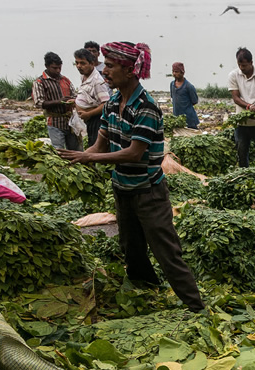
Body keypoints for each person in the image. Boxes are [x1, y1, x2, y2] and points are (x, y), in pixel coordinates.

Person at [59, 41, 205, 314]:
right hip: (123, 190)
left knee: (166, 251)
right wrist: (75, 159)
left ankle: (197, 308)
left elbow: (134, 153)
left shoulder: (146, 107)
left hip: (148, 192)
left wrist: (89, 158)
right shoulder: (112, 103)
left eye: (111, 67)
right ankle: (147, 295)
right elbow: (99, 145)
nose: (105, 72)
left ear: (129, 71)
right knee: (131, 248)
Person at [228, 47, 255, 167]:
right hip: (241, 122)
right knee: (241, 153)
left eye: (244, 65)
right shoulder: (234, 75)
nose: (242, 68)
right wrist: (249, 106)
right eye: (239, 65)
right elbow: (236, 98)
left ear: (251, 63)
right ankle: (244, 174)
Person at [32, 52, 81, 151]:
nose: (58, 70)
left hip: (70, 122)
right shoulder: (40, 82)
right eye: (54, 68)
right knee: (59, 151)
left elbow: (75, 95)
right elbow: (39, 102)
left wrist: (73, 100)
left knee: (76, 150)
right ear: (47, 66)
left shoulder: (65, 80)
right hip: (55, 123)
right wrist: (59, 102)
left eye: (59, 68)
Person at [73, 48, 110, 148]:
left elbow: (106, 104)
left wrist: (89, 114)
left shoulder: (97, 81)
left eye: (83, 63)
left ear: (92, 64)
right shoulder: (84, 76)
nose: (79, 66)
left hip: (96, 120)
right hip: (88, 120)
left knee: (95, 146)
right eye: (77, 63)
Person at [169, 62, 199, 129]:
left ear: (182, 73)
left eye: (176, 72)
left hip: (189, 118)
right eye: (173, 71)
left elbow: (195, 101)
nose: (174, 74)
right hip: (176, 117)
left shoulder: (189, 86)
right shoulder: (172, 85)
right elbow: (172, 97)